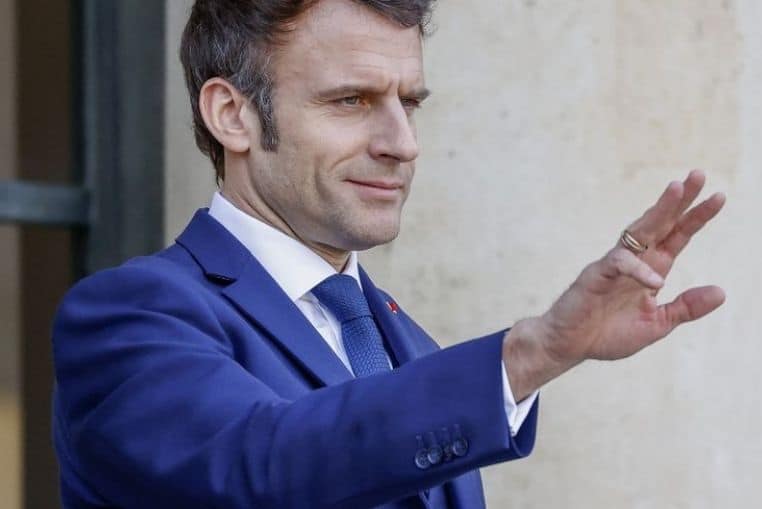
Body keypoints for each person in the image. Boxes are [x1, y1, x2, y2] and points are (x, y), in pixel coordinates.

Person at [51, 1, 727, 508]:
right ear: (233, 115)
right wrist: (531, 353)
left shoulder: (412, 346)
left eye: (410, 103)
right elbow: (261, 465)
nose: (403, 143)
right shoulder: (129, 316)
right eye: (351, 100)